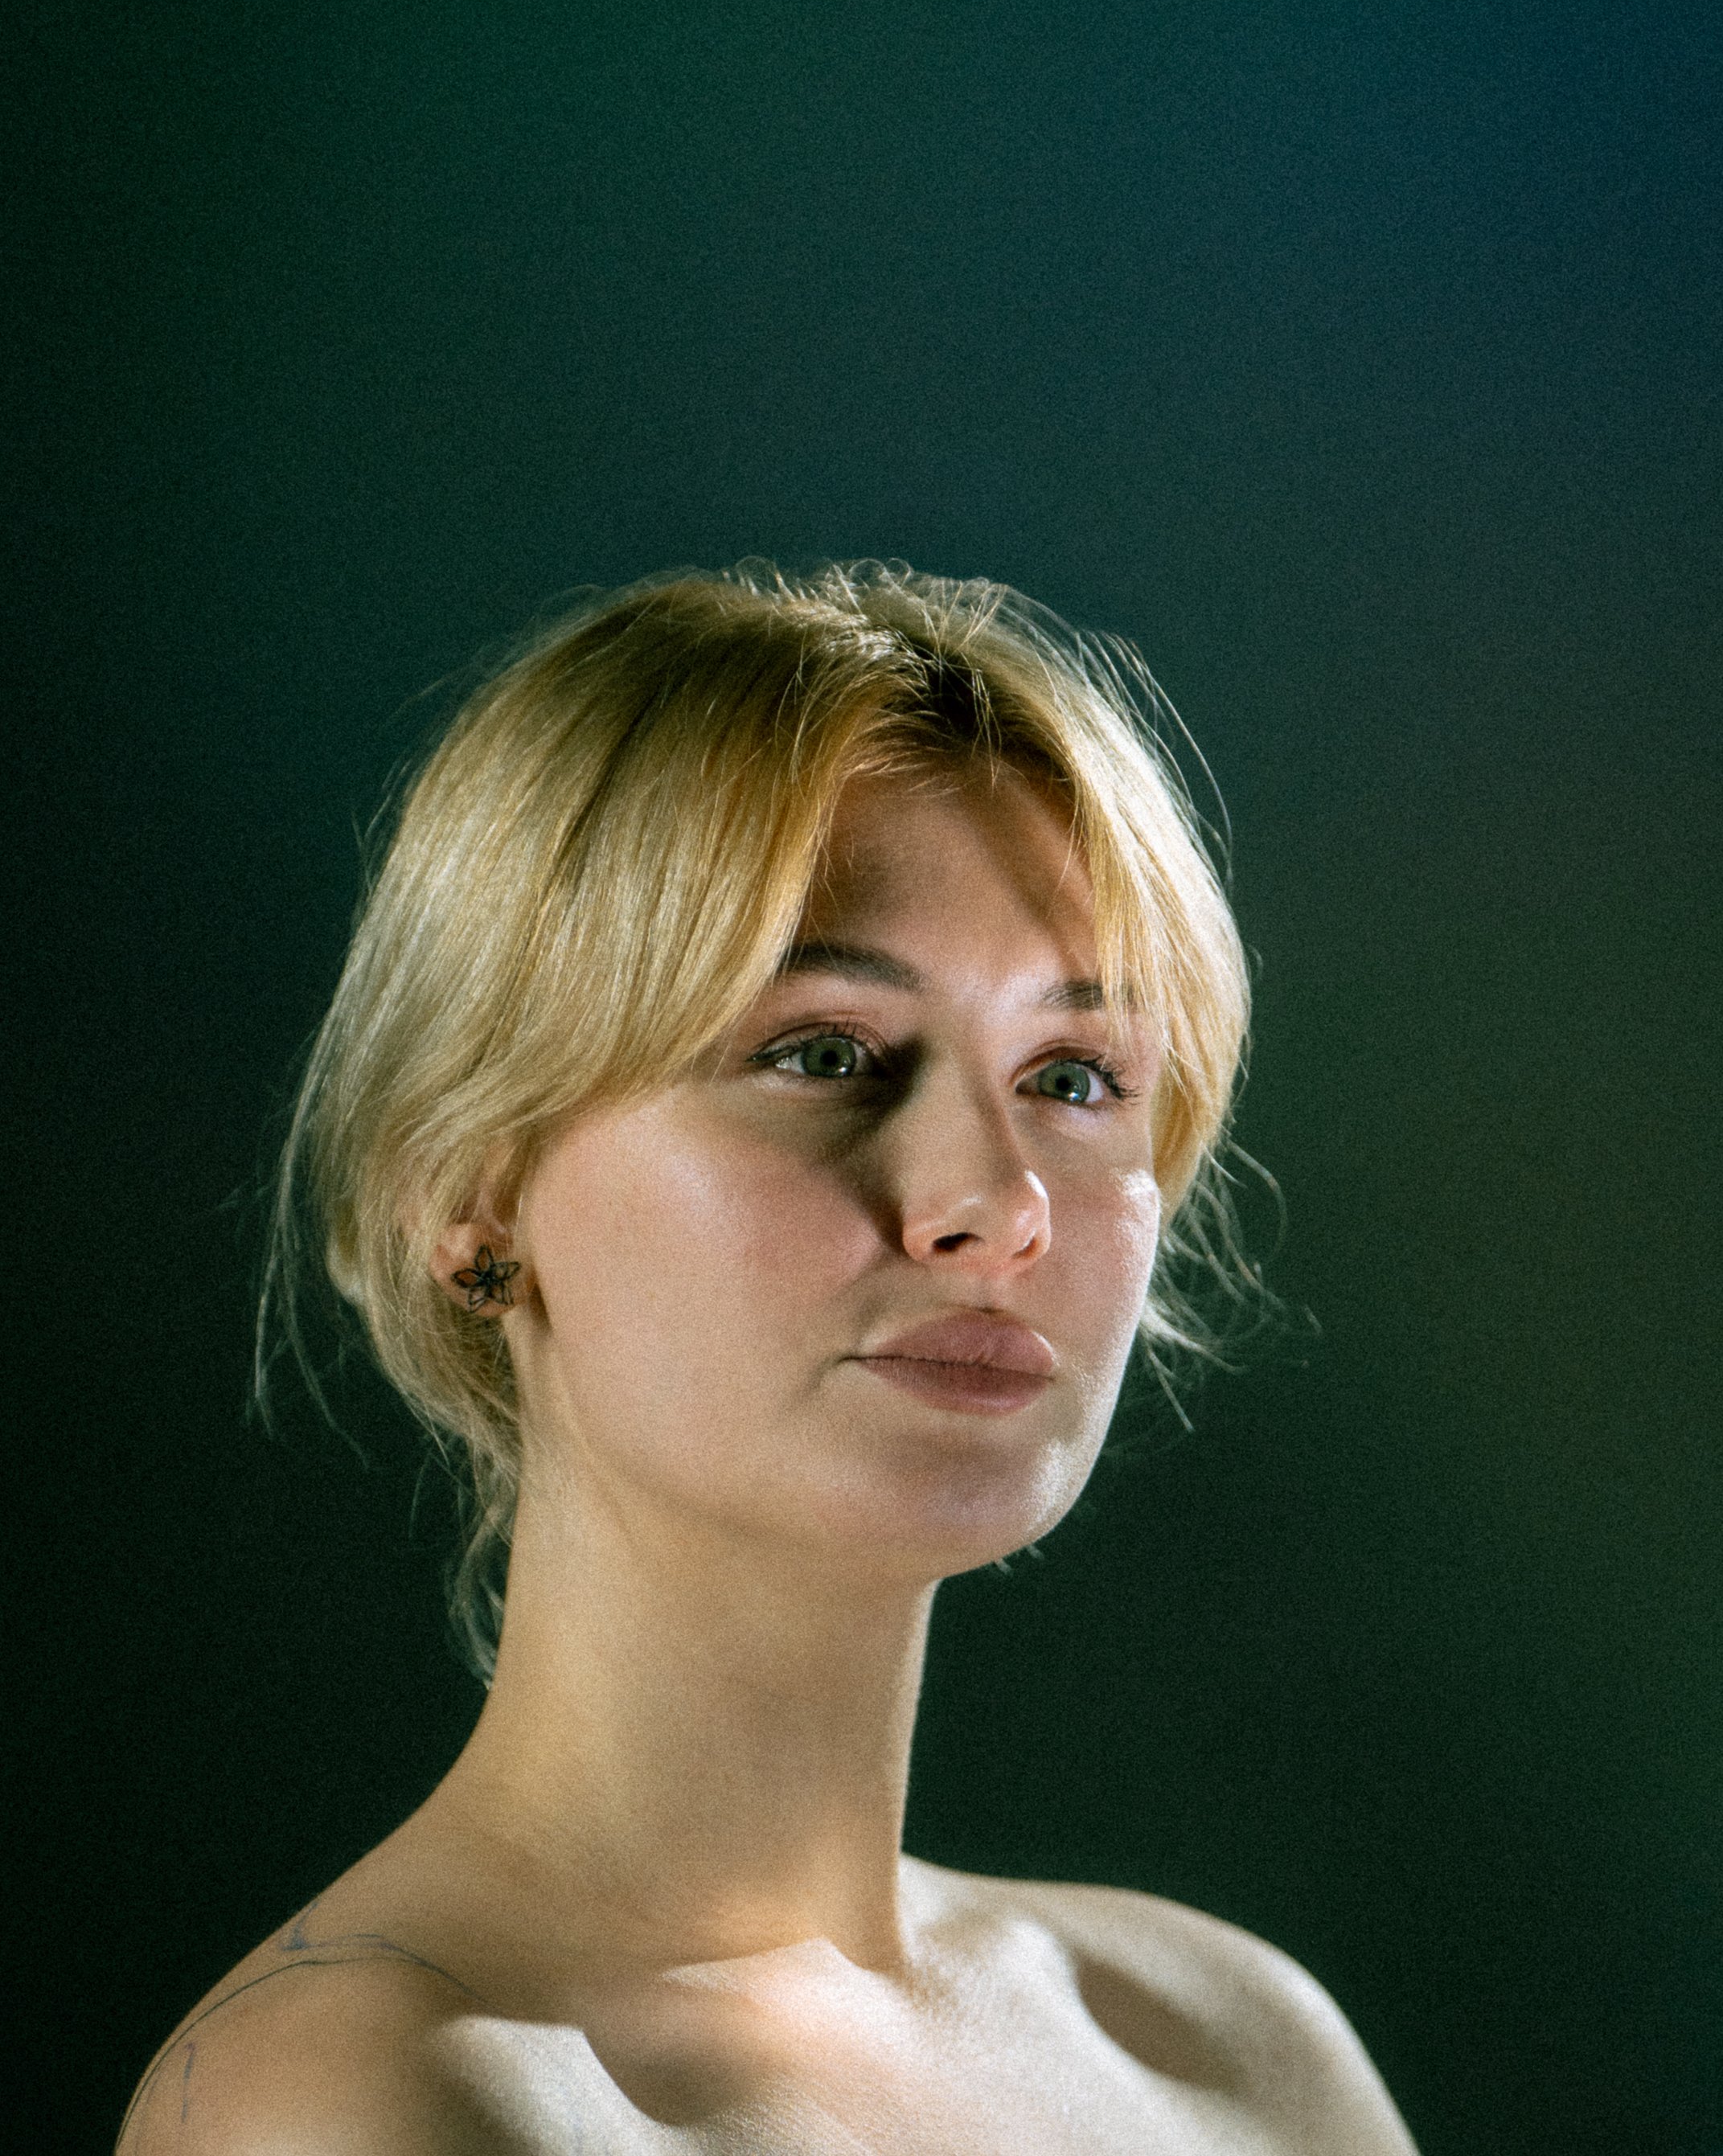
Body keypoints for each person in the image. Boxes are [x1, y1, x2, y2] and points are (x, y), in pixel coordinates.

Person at [120, 563, 1417, 2153]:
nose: (997, 1205)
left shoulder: (1232, 2051)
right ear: (469, 1191)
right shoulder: (362, 2102)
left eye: (1075, 1076)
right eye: (823, 1053)